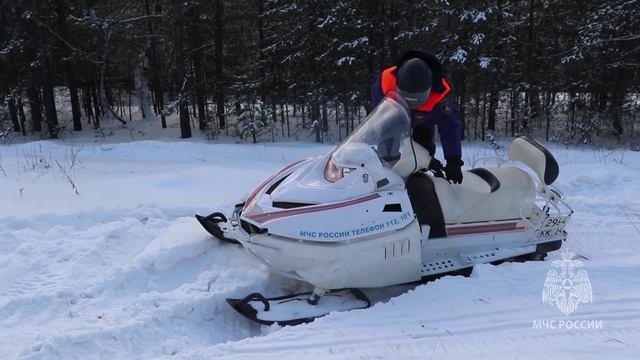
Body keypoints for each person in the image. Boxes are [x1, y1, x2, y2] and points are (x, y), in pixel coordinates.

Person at [370, 49, 464, 184]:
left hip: (424, 121)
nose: (411, 104)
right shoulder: (385, 82)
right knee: (387, 149)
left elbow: (449, 128)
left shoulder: (441, 95)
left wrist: (453, 160)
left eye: (416, 99)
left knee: (422, 150)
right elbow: (377, 113)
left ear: (430, 88)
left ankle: (419, 183)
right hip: (393, 116)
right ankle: (387, 179)